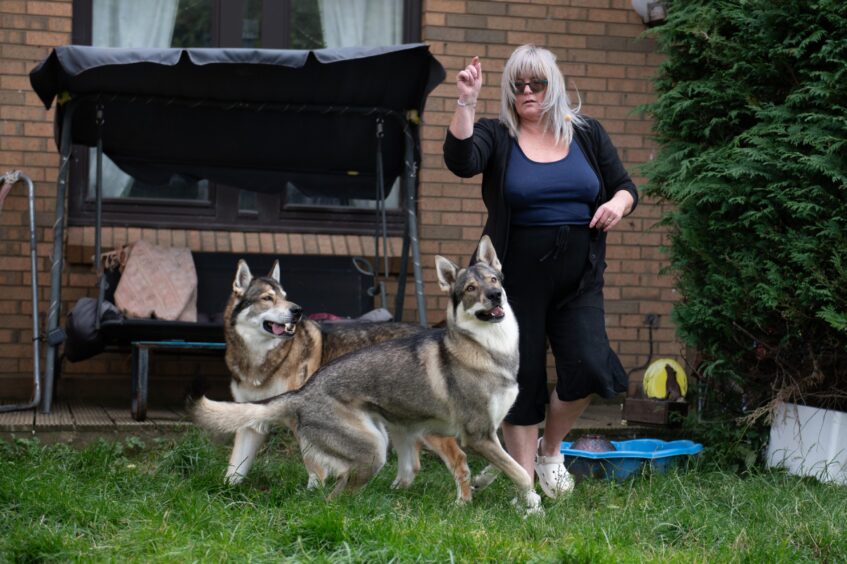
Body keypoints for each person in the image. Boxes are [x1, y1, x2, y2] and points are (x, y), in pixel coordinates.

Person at [442, 44, 638, 498]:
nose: (527, 92)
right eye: (518, 85)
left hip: (579, 275)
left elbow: (626, 186)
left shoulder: (586, 133)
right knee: (523, 375)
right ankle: (524, 481)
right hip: (511, 283)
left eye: (538, 83)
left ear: (555, 87)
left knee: (590, 366)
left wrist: (616, 204)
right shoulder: (496, 135)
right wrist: (467, 101)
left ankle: (552, 452)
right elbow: (460, 161)